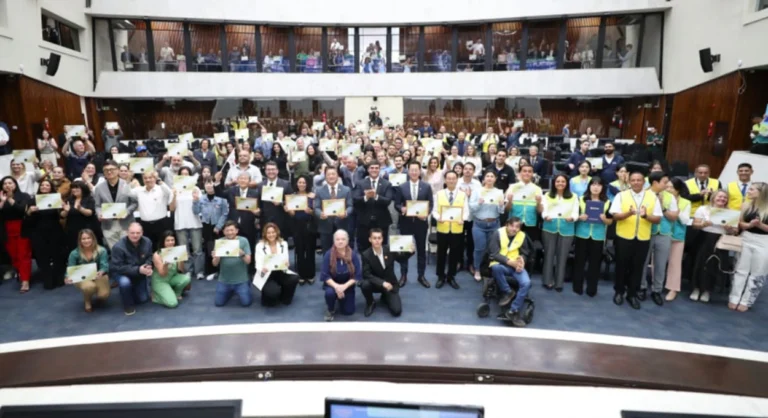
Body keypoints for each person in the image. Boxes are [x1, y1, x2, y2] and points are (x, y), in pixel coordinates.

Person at [610, 171, 663, 310]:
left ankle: (632, 294)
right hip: (623, 236)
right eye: (633, 180)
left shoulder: (652, 197)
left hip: (643, 238)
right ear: (629, 182)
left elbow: (658, 219)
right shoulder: (621, 196)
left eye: (639, 180)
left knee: (638, 267)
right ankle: (619, 292)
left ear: (644, 182)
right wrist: (628, 213)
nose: (636, 182)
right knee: (621, 265)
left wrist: (646, 216)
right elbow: (615, 216)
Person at [690, 189, 738, 303]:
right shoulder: (703, 209)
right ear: (713, 197)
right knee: (700, 263)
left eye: (725, 197)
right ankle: (696, 288)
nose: (722, 199)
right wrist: (703, 224)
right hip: (704, 238)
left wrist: (729, 229)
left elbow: (735, 232)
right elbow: (694, 225)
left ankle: (707, 290)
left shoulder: (731, 213)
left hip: (720, 240)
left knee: (714, 265)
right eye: (719, 196)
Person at [639, 171, 679, 305]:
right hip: (646, 232)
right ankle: (641, 287)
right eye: (665, 182)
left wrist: (663, 208)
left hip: (664, 233)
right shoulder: (643, 194)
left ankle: (657, 290)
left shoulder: (670, 196)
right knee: (642, 262)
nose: (667, 185)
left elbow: (674, 217)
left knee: (661, 264)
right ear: (655, 182)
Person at [488, 217, 532, 327]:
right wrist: (509, 262)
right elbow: (494, 254)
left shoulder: (522, 236)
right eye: (512, 226)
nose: (514, 229)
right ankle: (508, 292)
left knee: (526, 283)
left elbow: (525, 253)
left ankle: (513, 310)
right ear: (507, 225)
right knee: (495, 268)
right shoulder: (497, 233)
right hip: (502, 264)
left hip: (516, 266)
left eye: (517, 227)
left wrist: (522, 261)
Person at [730, 182, 768, 312]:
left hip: (764, 241)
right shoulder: (745, 205)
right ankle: (734, 298)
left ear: (761, 192)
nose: (748, 191)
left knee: (758, 273)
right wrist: (750, 225)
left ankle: (747, 301)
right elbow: (740, 223)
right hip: (746, 238)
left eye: (752, 189)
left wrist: (760, 225)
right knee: (740, 270)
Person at [571, 177, 612, 296]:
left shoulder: (607, 202)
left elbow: (610, 221)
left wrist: (605, 219)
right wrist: (580, 217)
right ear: (589, 187)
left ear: (602, 187)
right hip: (582, 234)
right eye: (593, 184)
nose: (596, 187)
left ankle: (591, 289)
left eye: (599, 185)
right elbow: (574, 216)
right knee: (579, 261)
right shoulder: (581, 199)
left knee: (595, 264)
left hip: (598, 236)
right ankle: (577, 286)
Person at [395, 161, 433, 288]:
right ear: (408, 171)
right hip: (405, 223)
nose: (414, 172)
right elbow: (396, 204)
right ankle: (403, 275)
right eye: (412, 170)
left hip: (421, 223)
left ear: (419, 171)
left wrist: (426, 213)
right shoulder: (402, 187)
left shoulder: (426, 187)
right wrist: (401, 209)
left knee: (421, 250)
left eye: (416, 170)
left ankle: (421, 276)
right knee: (404, 250)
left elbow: (431, 204)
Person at [361, 228, 413, 317]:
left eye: (379, 238)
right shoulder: (366, 254)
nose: (377, 240)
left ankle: (385, 296)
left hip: (390, 284)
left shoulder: (389, 249)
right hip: (375, 283)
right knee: (365, 284)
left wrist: (409, 252)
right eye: (374, 238)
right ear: (370, 239)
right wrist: (382, 283)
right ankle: (370, 302)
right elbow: (366, 274)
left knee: (396, 311)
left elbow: (401, 259)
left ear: (382, 239)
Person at [540, 174, 579, 291]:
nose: (560, 183)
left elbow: (576, 212)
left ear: (567, 183)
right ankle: (547, 280)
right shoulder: (547, 195)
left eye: (563, 181)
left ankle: (559, 283)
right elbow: (543, 210)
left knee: (562, 257)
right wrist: (545, 216)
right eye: (558, 181)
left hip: (567, 228)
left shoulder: (573, 196)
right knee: (549, 255)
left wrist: (572, 218)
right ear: (554, 183)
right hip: (549, 226)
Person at [25, 179, 67, 289]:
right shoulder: (32, 200)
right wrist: (30, 211)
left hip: (55, 231)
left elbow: (61, 216)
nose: (44, 187)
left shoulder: (56, 199)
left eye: (47, 185)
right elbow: (27, 218)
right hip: (38, 232)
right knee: (42, 257)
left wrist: (65, 209)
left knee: (58, 255)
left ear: (51, 187)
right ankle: (48, 280)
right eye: (42, 185)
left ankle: (58, 278)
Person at [432, 171, 469, 290]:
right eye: (449, 178)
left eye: (453, 178)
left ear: (457, 180)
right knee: (441, 253)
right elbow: (434, 211)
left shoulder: (463, 195)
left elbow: (466, 211)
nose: (451, 180)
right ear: (445, 180)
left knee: (454, 254)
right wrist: (438, 217)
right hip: (442, 228)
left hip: (457, 229)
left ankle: (451, 276)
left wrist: (463, 219)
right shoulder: (438, 194)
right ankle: (440, 276)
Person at [469, 171, 506, 282]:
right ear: (484, 179)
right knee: (479, 248)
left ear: (495, 179)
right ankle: (477, 269)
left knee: (493, 249)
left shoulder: (499, 192)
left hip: (494, 224)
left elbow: (501, 211)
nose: (489, 178)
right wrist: (479, 203)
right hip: (479, 224)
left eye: (492, 176)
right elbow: (471, 208)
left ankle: (490, 269)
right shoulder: (477, 191)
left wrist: (501, 206)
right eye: (487, 176)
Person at [110, 222, 153, 315]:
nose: (135, 235)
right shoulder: (118, 247)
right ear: (127, 233)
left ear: (142, 233)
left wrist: (147, 265)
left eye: (138, 233)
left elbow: (149, 256)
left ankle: (131, 288)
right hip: (121, 273)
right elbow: (118, 267)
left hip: (138, 271)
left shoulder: (147, 242)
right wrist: (138, 269)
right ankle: (128, 305)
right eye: (132, 233)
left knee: (143, 299)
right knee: (125, 283)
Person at [169, 166, 204, 280]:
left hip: (195, 222)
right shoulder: (174, 188)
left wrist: (196, 199)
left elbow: (200, 207)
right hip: (180, 223)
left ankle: (199, 271)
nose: (184, 176)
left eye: (187, 174)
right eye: (182, 174)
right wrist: (174, 195)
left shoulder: (196, 188)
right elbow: (172, 208)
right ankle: (188, 270)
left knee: (197, 249)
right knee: (184, 250)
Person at [64, 229, 111, 312]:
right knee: (89, 287)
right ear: (80, 240)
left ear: (93, 239)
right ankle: (87, 300)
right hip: (82, 278)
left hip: (99, 276)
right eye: (83, 239)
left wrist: (102, 271)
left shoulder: (102, 250)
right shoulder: (74, 253)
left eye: (89, 238)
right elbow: (70, 268)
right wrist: (67, 277)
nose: (86, 241)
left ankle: (97, 293)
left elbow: (104, 266)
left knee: (103, 295)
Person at [254, 223, 300, 306]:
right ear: (265, 234)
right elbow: (258, 264)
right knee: (272, 294)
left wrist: (286, 264)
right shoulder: (259, 246)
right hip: (266, 274)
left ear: (277, 232)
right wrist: (262, 269)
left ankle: (285, 297)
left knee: (294, 278)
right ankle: (267, 297)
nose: (271, 235)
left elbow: (286, 260)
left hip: (280, 271)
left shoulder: (283, 243)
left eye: (273, 232)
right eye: (268, 233)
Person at [94, 161, 137, 249]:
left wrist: (127, 211)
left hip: (126, 223)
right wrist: (99, 213)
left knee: (129, 250)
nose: (109, 172)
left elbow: (134, 202)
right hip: (108, 225)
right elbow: (97, 205)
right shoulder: (99, 188)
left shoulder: (127, 184)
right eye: (106, 170)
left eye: (112, 169)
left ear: (117, 170)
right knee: (115, 251)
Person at [321, 229, 361, 321]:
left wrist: (344, 287)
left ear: (347, 241)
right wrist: (337, 287)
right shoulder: (328, 254)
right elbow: (325, 275)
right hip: (332, 285)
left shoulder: (353, 255)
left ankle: (342, 298)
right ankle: (330, 309)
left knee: (348, 312)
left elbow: (357, 275)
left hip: (348, 285)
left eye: (343, 239)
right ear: (334, 241)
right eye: (338, 239)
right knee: (329, 294)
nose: (340, 242)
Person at [0, 176, 32, 292]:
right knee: (13, 256)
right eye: (5, 183)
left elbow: (22, 210)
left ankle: (25, 281)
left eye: (10, 183)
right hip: (6, 230)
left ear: (15, 184)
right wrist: (2, 201)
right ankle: (21, 273)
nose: (8, 185)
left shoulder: (24, 196)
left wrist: (10, 199)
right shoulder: (0, 197)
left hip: (22, 228)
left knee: (24, 255)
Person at [192, 179, 229, 281]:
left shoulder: (221, 198)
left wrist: (219, 226)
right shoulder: (201, 198)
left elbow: (225, 213)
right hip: (206, 226)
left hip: (219, 226)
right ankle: (211, 271)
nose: (209, 185)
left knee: (220, 248)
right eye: (207, 183)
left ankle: (221, 271)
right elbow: (196, 212)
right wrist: (195, 201)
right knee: (209, 249)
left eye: (211, 183)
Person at [353, 161, 393, 252]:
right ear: (368, 170)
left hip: (381, 222)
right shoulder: (360, 183)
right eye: (372, 168)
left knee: (381, 248)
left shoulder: (387, 184)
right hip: (364, 222)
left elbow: (388, 201)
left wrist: (376, 196)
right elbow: (355, 200)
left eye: (376, 168)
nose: (374, 170)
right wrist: (366, 197)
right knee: (363, 248)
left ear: (379, 169)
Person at [212, 220, 253, 307]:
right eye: (227, 230)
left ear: (237, 231)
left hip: (241, 280)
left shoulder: (243, 241)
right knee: (218, 303)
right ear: (223, 232)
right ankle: (230, 291)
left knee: (246, 303)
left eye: (232, 230)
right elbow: (215, 264)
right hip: (224, 280)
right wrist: (217, 257)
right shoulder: (220, 242)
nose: (230, 233)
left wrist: (242, 255)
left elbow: (248, 261)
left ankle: (246, 284)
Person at [664, 178, 691, 302]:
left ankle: (673, 289)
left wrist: (677, 212)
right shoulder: (662, 199)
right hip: (662, 233)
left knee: (675, 264)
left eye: (671, 187)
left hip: (677, 235)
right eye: (667, 187)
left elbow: (685, 220)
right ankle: (656, 285)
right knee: (657, 261)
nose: (668, 189)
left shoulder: (685, 202)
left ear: (678, 189)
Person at [314, 166, 353, 252]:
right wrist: (320, 214)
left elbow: (350, 206)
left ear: (337, 175)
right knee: (326, 251)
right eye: (328, 174)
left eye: (333, 174)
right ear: (325, 176)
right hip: (325, 225)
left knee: (343, 252)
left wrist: (345, 213)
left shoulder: (346, 190)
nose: (331, 176)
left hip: (342, 224)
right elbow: (316, 207)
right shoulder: (319, 190)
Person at [226, 172, 260, 268]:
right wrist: (216, 182)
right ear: (237, 180)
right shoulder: (231, 190)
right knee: (233, 247)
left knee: (250, 247)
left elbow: (259, 210)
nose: (243, 180)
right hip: (233, 225)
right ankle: (234, 268)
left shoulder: (255, 193)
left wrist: (257, 213)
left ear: (249, 181)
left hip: (249, 225)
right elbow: (219, 193)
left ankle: (250, 269)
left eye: (245, 178)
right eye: (241, 178)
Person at [287, 174, 316, 284]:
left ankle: (310, 274)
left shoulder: (312, 196)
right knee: (299, 250)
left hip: (309, 226)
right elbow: (292, 214)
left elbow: (316, 212)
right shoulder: (292, 196)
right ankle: (301, 275)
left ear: (307, 184)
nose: (302, 184)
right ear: (296, 184)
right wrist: (289, 211)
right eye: (300, 182)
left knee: (310, 250)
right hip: (297, 226)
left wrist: (311, 211)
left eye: (304, 182)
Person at [151, 231, 191, 308]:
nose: (170, 242)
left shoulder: (176, 251)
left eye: (172, 240)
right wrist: (165, 265)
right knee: (172, 303)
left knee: (187, 278)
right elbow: (162, 274)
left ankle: (176, 294)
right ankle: (155, 297)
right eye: (168, 240)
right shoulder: (157, 254)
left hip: (171, 278)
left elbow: (181, 270)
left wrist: (181, 260)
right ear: (163, 242)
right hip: (160, 281)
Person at [133, 171, 173, 248]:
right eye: (145, 178)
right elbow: (126, 193)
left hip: (161, 223)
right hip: (145, 225)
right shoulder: (138, 190)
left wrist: (159, 180)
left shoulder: (161, 189)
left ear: (155, 178)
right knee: (147, 247)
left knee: (163, 247)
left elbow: (170, 193)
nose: (148, 180)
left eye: (150, 178)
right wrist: (128, 180)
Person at [62, 180, 100, 252]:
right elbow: (62, 215)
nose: (74, 189)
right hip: (72, 229)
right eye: (73, 188)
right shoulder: (69, 200)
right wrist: (66, 211)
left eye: (77, 188)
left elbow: (90, 213)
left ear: (83, 189)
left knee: (89, 249)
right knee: (73, 248)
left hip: (87, 227)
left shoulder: (89, 198)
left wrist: (80, 209)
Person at [260, 161, 293, 234]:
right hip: (265, 220)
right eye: (268, 170)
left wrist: (281, 203)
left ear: (277, 171)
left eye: (273, 169)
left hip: (282, 220)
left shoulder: (286, 184)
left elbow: (291, 202)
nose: (271, 171)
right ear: (265, 171)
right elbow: (259, 204)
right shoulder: (260, 185)